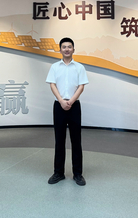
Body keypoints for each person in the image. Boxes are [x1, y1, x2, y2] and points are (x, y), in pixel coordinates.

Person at [46, 37, 89, 186]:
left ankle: (78, 174)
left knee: (76, 140)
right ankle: (58, 173)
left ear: (73, 49)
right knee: (59, 140)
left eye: (69, 47)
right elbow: (52, 85)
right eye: (64, 47)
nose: (66, 49)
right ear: (60, 50)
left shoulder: (79, 67)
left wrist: (71, 101)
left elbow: (81, 86)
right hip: (59, 106)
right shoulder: (54, 67)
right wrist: (61, 101)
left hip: (74, 106)